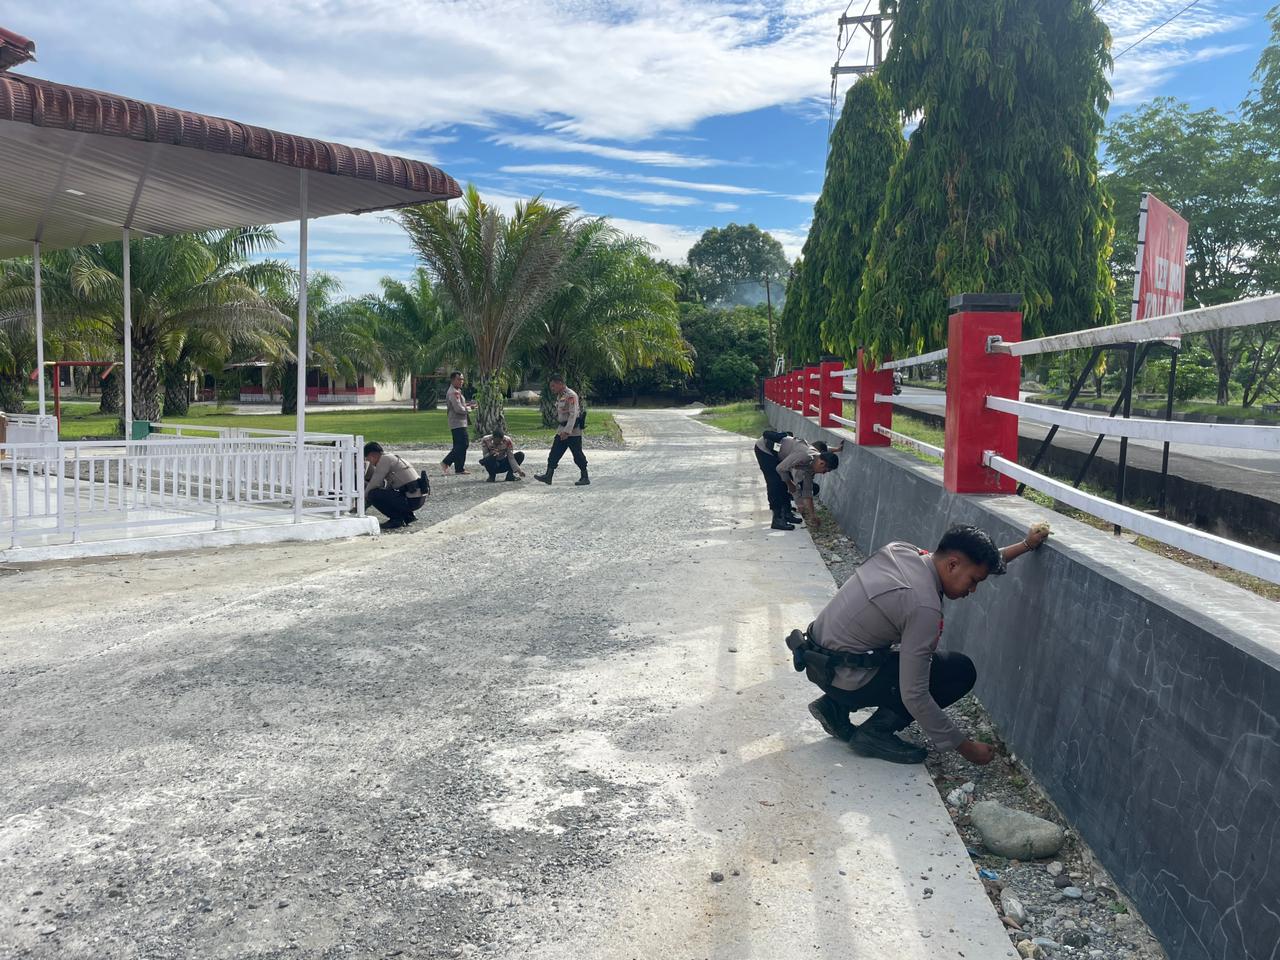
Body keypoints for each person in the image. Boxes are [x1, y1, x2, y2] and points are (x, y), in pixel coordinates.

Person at [788, 523, 1051, 765]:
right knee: (958, 671)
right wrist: (965, 747)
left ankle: (833, 706)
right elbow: (915, 694)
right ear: (952, 565)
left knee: (905, 658)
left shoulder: (903, 551)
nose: (972, 590)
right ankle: (875, 733)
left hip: (820, 663)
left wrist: (1026, 545)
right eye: (974, 582)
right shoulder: (924, 606)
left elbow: (978, 563)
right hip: (845, 678)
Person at [534, 375, 589, 486]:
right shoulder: (561, 396)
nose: (552, 388)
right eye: (551, 386)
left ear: (560, 383)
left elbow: (573, 414)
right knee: (554, 453)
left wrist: (567, 431)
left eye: (553, 386)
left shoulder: (571, 395)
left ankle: (585, 477)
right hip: (562, 429)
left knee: (577, 455)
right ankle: (548, 476)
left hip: (573, 431)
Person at [364, 441, 429, 530]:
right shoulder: (391, 457)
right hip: (418, 498)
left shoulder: (384, 460)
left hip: (412, 499)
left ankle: (396, 519)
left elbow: (375, 482)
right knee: (380, 494)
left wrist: (364, 497)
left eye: (368, 459)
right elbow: (388, 486)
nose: (370, 463)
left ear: (373, 455)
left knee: (372, 494)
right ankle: (407, 516)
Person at [777, 436, 838, 530]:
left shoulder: (812, 464)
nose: (823, 473)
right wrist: (790, 485)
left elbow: (807, 492)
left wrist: (812, 515)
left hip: (781, 458)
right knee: (777, 483)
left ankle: (786, 514)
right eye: (825, 470)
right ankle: (777, 519)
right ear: (821, 463)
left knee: (786, 482)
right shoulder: (804, 456)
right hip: (767, 450)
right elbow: (780, 469)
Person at [754, 430, 805, 530]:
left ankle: (786, 513)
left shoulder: (803, 449)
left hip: (776, 454)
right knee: (775, 483)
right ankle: (777, 518)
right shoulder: (781, 441)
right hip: (764, 451)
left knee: (784, 481)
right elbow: (766, 434)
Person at [441, 371, 475, 475]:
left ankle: (459, 468)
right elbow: (458, 408)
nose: (461, 381)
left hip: (459, 422)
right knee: (464, 444)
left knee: (458, 445)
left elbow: (460, 405)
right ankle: (446, 462)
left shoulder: (457, 391)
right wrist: (469, 409)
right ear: (452, 380)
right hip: (457, 422)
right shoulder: (453, 392)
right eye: (459, 379)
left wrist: (468, 405)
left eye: (462, 379)